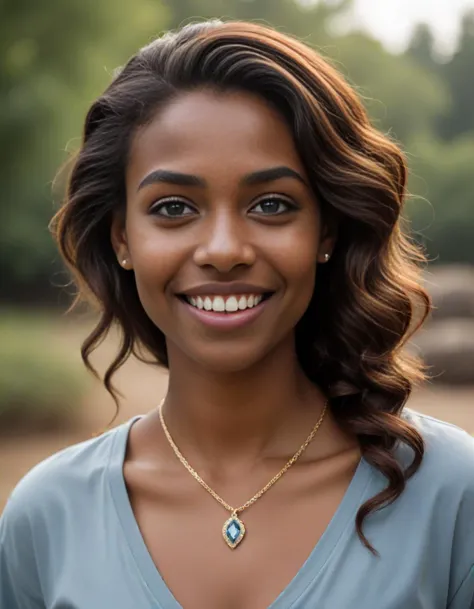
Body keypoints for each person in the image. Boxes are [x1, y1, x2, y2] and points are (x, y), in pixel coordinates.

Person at [1, 19, 473, 609]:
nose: (224, 250)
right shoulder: (46, 518)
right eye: (173, 207)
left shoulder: (453, 497)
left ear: (325, 230)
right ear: (122, 238)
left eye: (271, 204)